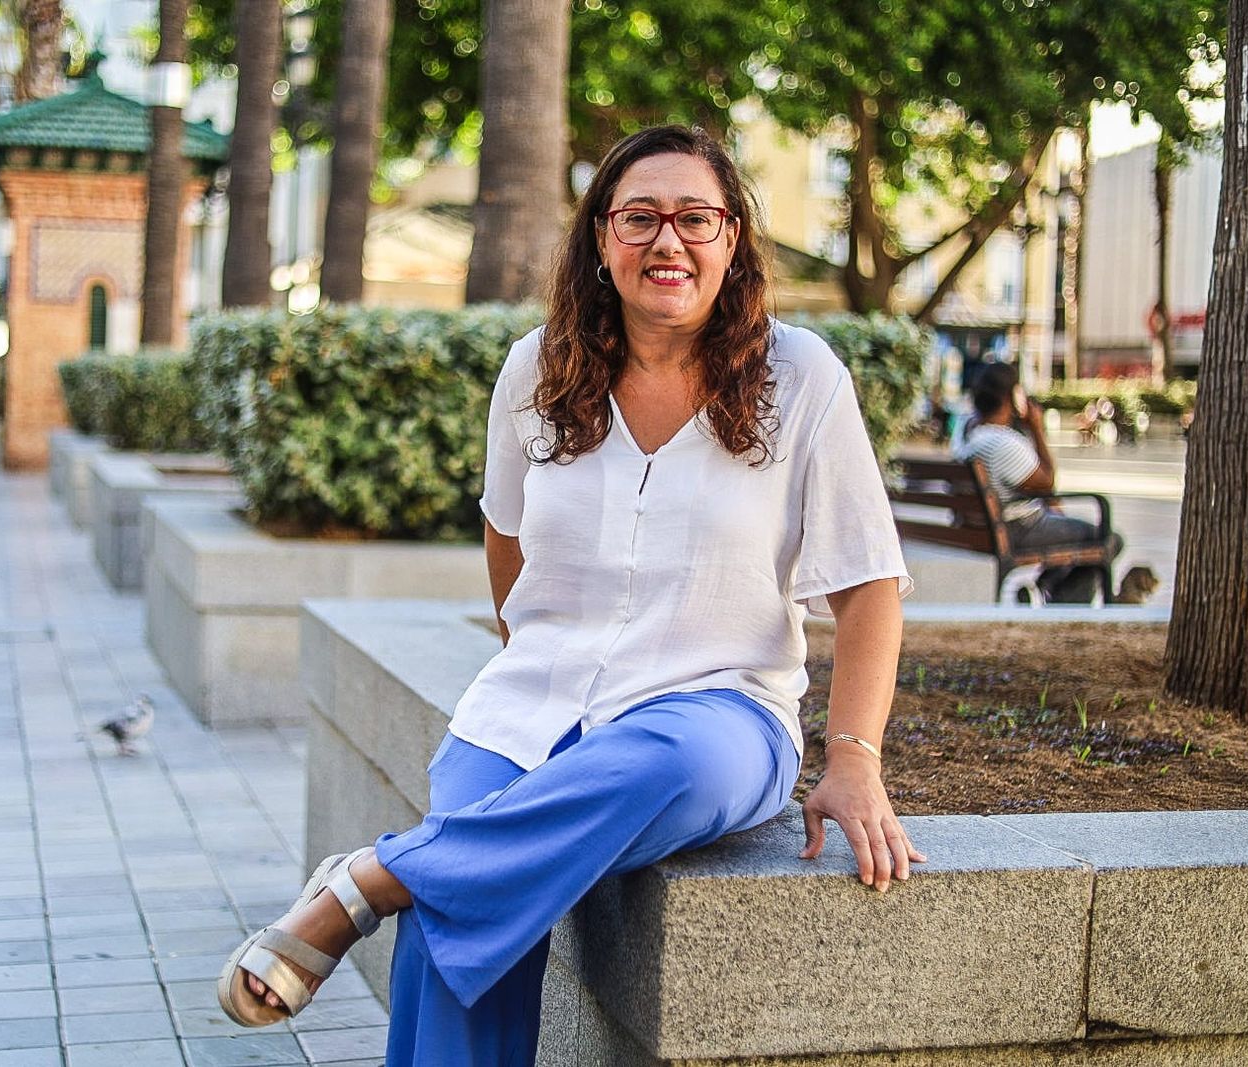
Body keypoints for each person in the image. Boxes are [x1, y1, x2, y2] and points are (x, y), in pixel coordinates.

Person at [218, 126, 922, 1064]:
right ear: (600, 237)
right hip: (532, 705)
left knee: (647, 771)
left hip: (718, 712)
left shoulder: (801, 378)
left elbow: (869, 583)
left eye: (696, 218)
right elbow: (504, 532)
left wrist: (855, 756)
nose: (668, 241)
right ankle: (407, 881)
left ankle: (372, 879)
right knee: (456, 912)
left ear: (732, 239)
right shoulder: (537, 367)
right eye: (640, 217)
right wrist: (534, 651)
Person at [952, 362, 1123, 603]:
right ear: (1013, 396)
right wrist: (1037, 428)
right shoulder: (1003, 443)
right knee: (1108, 538)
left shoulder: (968, 433)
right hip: (1017, 528)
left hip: (985, 527)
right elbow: (1047, 481)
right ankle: (1056, 598)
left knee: (1072, 530)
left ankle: (1044, 589)